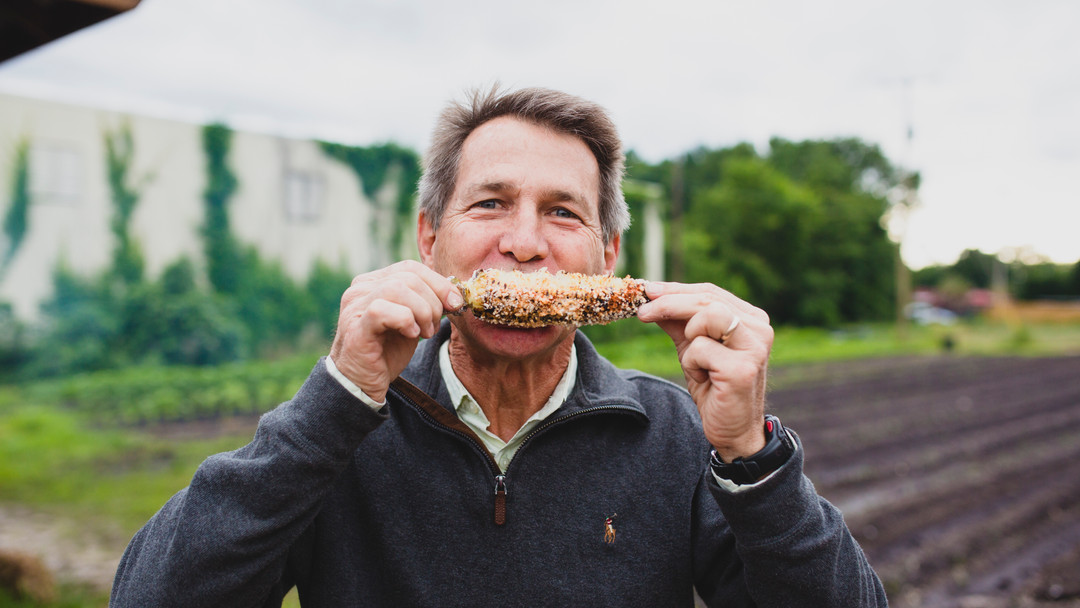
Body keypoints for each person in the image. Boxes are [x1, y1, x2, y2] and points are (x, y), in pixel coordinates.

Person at [110, 86, 888, 607]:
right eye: (490, 204)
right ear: (429, 238)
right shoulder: (339, 432)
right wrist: (336, 401)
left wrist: (750, 455)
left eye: (562, 214)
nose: (522, 243)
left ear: (607, 254)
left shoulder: (674, 437)